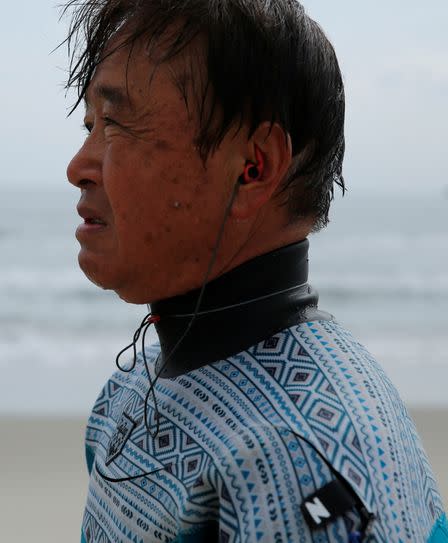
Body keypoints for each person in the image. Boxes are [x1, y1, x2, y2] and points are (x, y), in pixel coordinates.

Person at [61, 1, 446, 541]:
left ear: (252, 168)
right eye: (89, 124)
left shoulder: (297, 458)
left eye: (117, 124)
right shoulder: (131, 389)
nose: (78, 165)